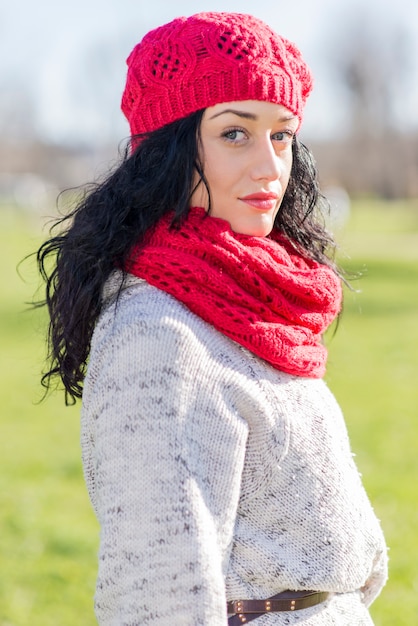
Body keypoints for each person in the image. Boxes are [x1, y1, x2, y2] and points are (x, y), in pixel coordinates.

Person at [37, 12, 387, 626]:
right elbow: (154, 594)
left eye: (282, 134)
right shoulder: (157, 335)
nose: (270, 167)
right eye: (234, 133)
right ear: (167, 148)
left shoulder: (259, 304)